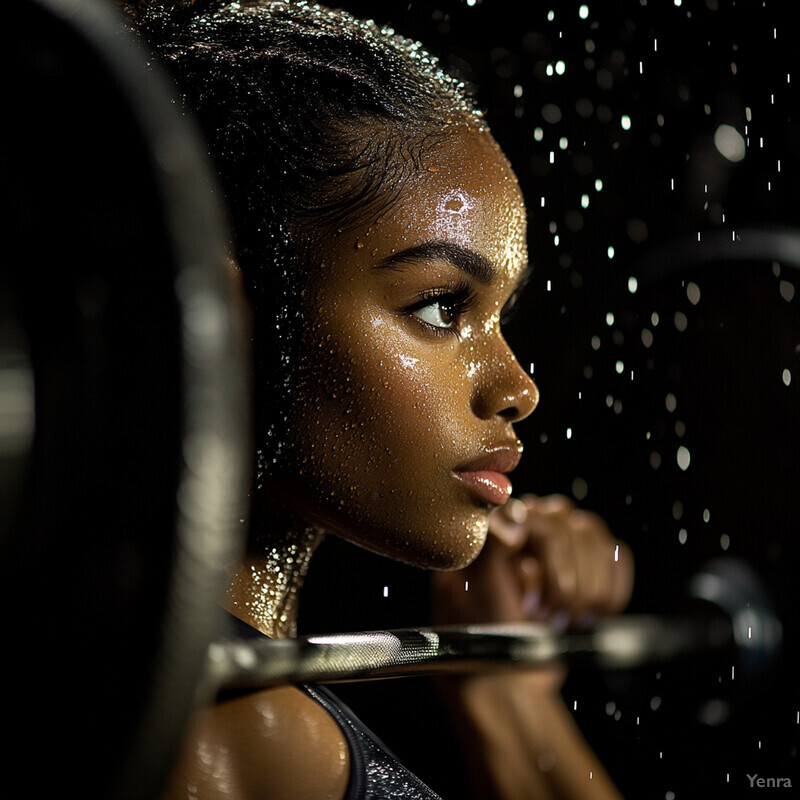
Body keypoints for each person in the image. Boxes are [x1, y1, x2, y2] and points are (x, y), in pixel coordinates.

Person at [120, 2, 634, 798]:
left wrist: (499, 686)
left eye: (501, 317)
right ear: (217, 323)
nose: (519, 389)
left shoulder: (201, 691)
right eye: (440, 307)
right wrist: (514, 710)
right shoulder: (239, 738)